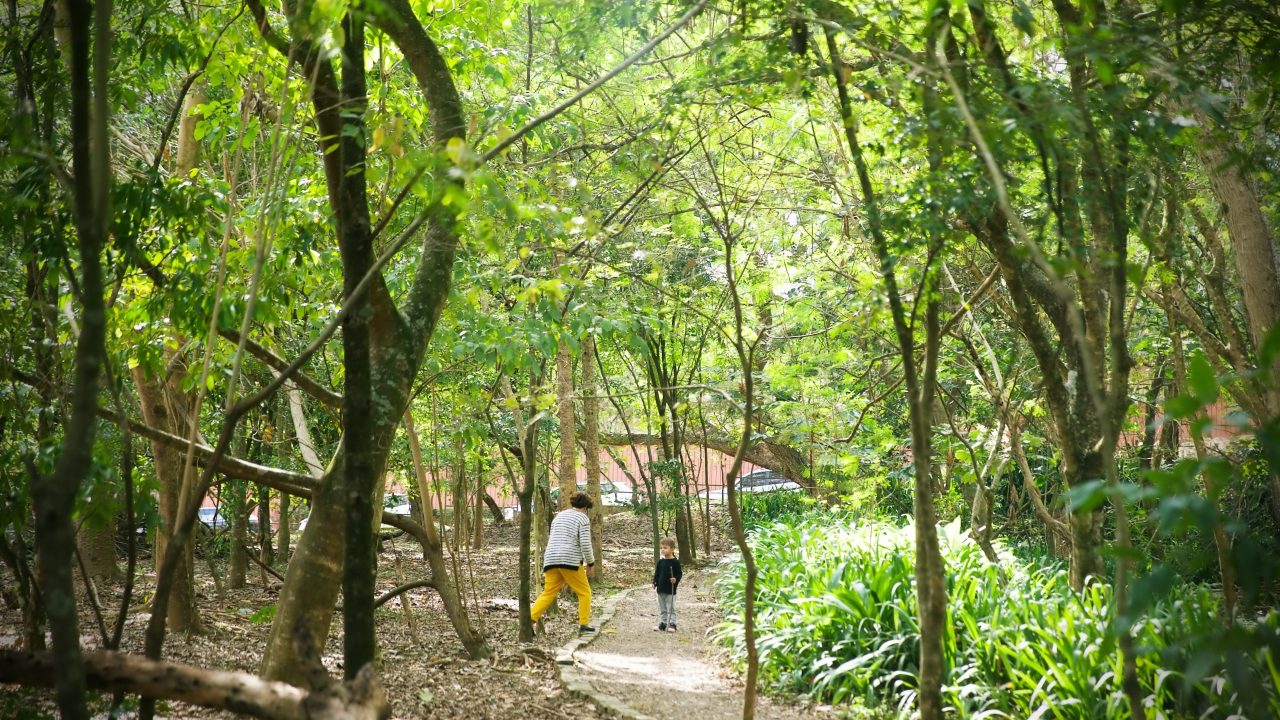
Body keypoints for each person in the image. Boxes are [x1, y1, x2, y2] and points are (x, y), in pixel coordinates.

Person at [530, 491, 596, 634]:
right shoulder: (582, 518)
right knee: (585, 592)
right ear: (586, 507)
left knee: (548, 593)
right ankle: (584, 624)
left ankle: (530, 620)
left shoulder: (559, 516)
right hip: (569, 560)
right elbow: (585, 543)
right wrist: (590, 563)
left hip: (551, 559)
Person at [653, 537, 682, 632]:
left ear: (672, 549)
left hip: (670, 590)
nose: (662, 550)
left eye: (665, 548)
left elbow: (679, 573)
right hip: (660, 589)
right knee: (662, 608)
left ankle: (672, 624)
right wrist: (654, 582)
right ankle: (663, 623)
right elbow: (657, 574)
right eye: (661, 548)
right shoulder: (661, 562)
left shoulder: (675, 562)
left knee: (671, 608)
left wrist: (675, 579)